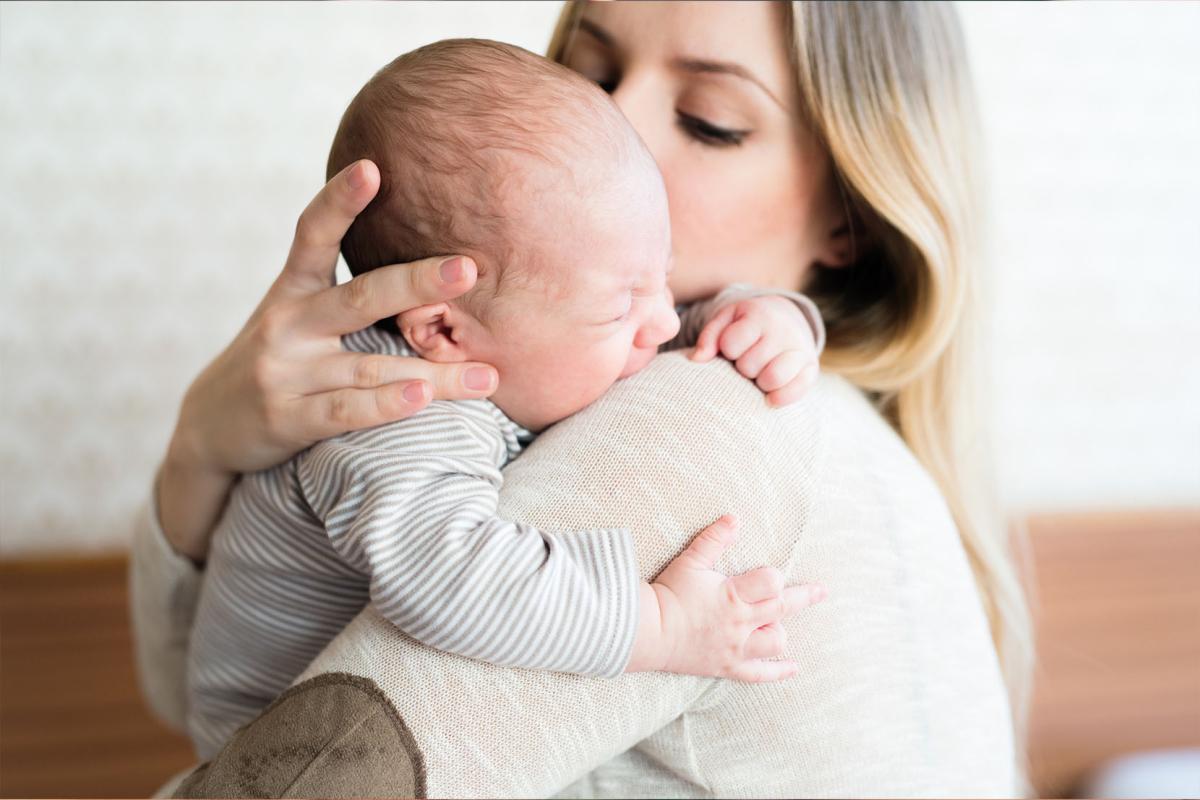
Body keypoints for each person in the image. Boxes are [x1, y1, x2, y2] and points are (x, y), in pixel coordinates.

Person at [130, 2, 1034, 796]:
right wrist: (206, 444)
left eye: (709, 119)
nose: (613, 124)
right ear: (444, 326)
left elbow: (285, 762)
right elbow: (215, 701)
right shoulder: (434, 405)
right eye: (592, 69)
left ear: (849, 216)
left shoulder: (703, 419)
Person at [185, 38, 826, 759]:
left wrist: (764, 317)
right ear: (443, 330)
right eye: (621, 307)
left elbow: (652, 322)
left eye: (664, 275)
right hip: (280, 744)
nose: (665, 321)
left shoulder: (539, 320)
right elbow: (453, 580)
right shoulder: (395, 414)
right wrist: (661, 624)